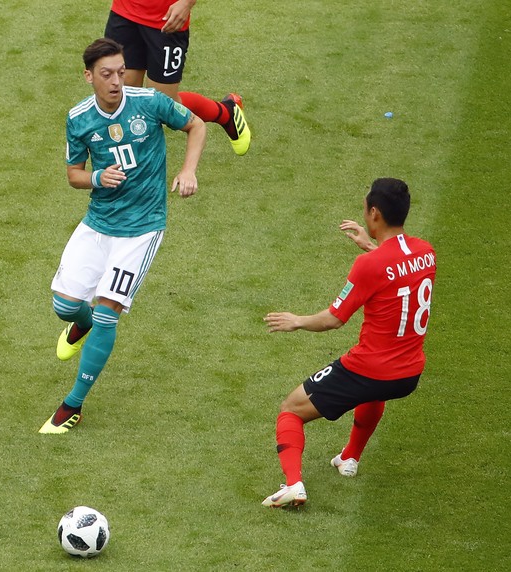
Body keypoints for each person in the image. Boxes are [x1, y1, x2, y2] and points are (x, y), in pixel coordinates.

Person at [40, 38, 206, 434]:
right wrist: (98, 177)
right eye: (106, 74)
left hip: (142, 228)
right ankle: (80, 324)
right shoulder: (79, 118)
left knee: (106, 312)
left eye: (120, 71)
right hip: (98, 222)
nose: (116, 81)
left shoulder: (149, 102)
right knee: (64, 305)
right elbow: (74, 175)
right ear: (89, 77)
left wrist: (188, 170)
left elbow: (196, 125)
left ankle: (73, 404)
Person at [261, 178, 435, 507]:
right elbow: (398, 269)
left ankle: (293, 484)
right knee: (375, 390)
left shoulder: (369, 266)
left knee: (291, 409)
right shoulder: (426, 253)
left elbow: (334, 318)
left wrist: (296, 321)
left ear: (374, 213)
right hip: (409, 374)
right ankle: (349, 458)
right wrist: (372, 246)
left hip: (369, 368)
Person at [104, 0, 251, 156]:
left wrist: (187, 3)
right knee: (123, 96)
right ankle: (131, 161)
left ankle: (226, 112)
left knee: (164, 104)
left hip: (167, 20)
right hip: (123, 13)